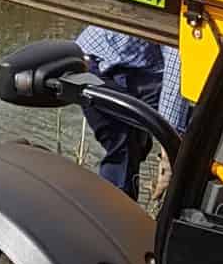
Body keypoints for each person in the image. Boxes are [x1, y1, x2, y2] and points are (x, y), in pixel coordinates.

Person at [76, 25, 192, 200]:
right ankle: (115, 216)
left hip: (139, 69)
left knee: (199, 120)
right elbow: (177, 59)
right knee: (123, 147)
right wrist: (170, 152)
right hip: (95, 65)